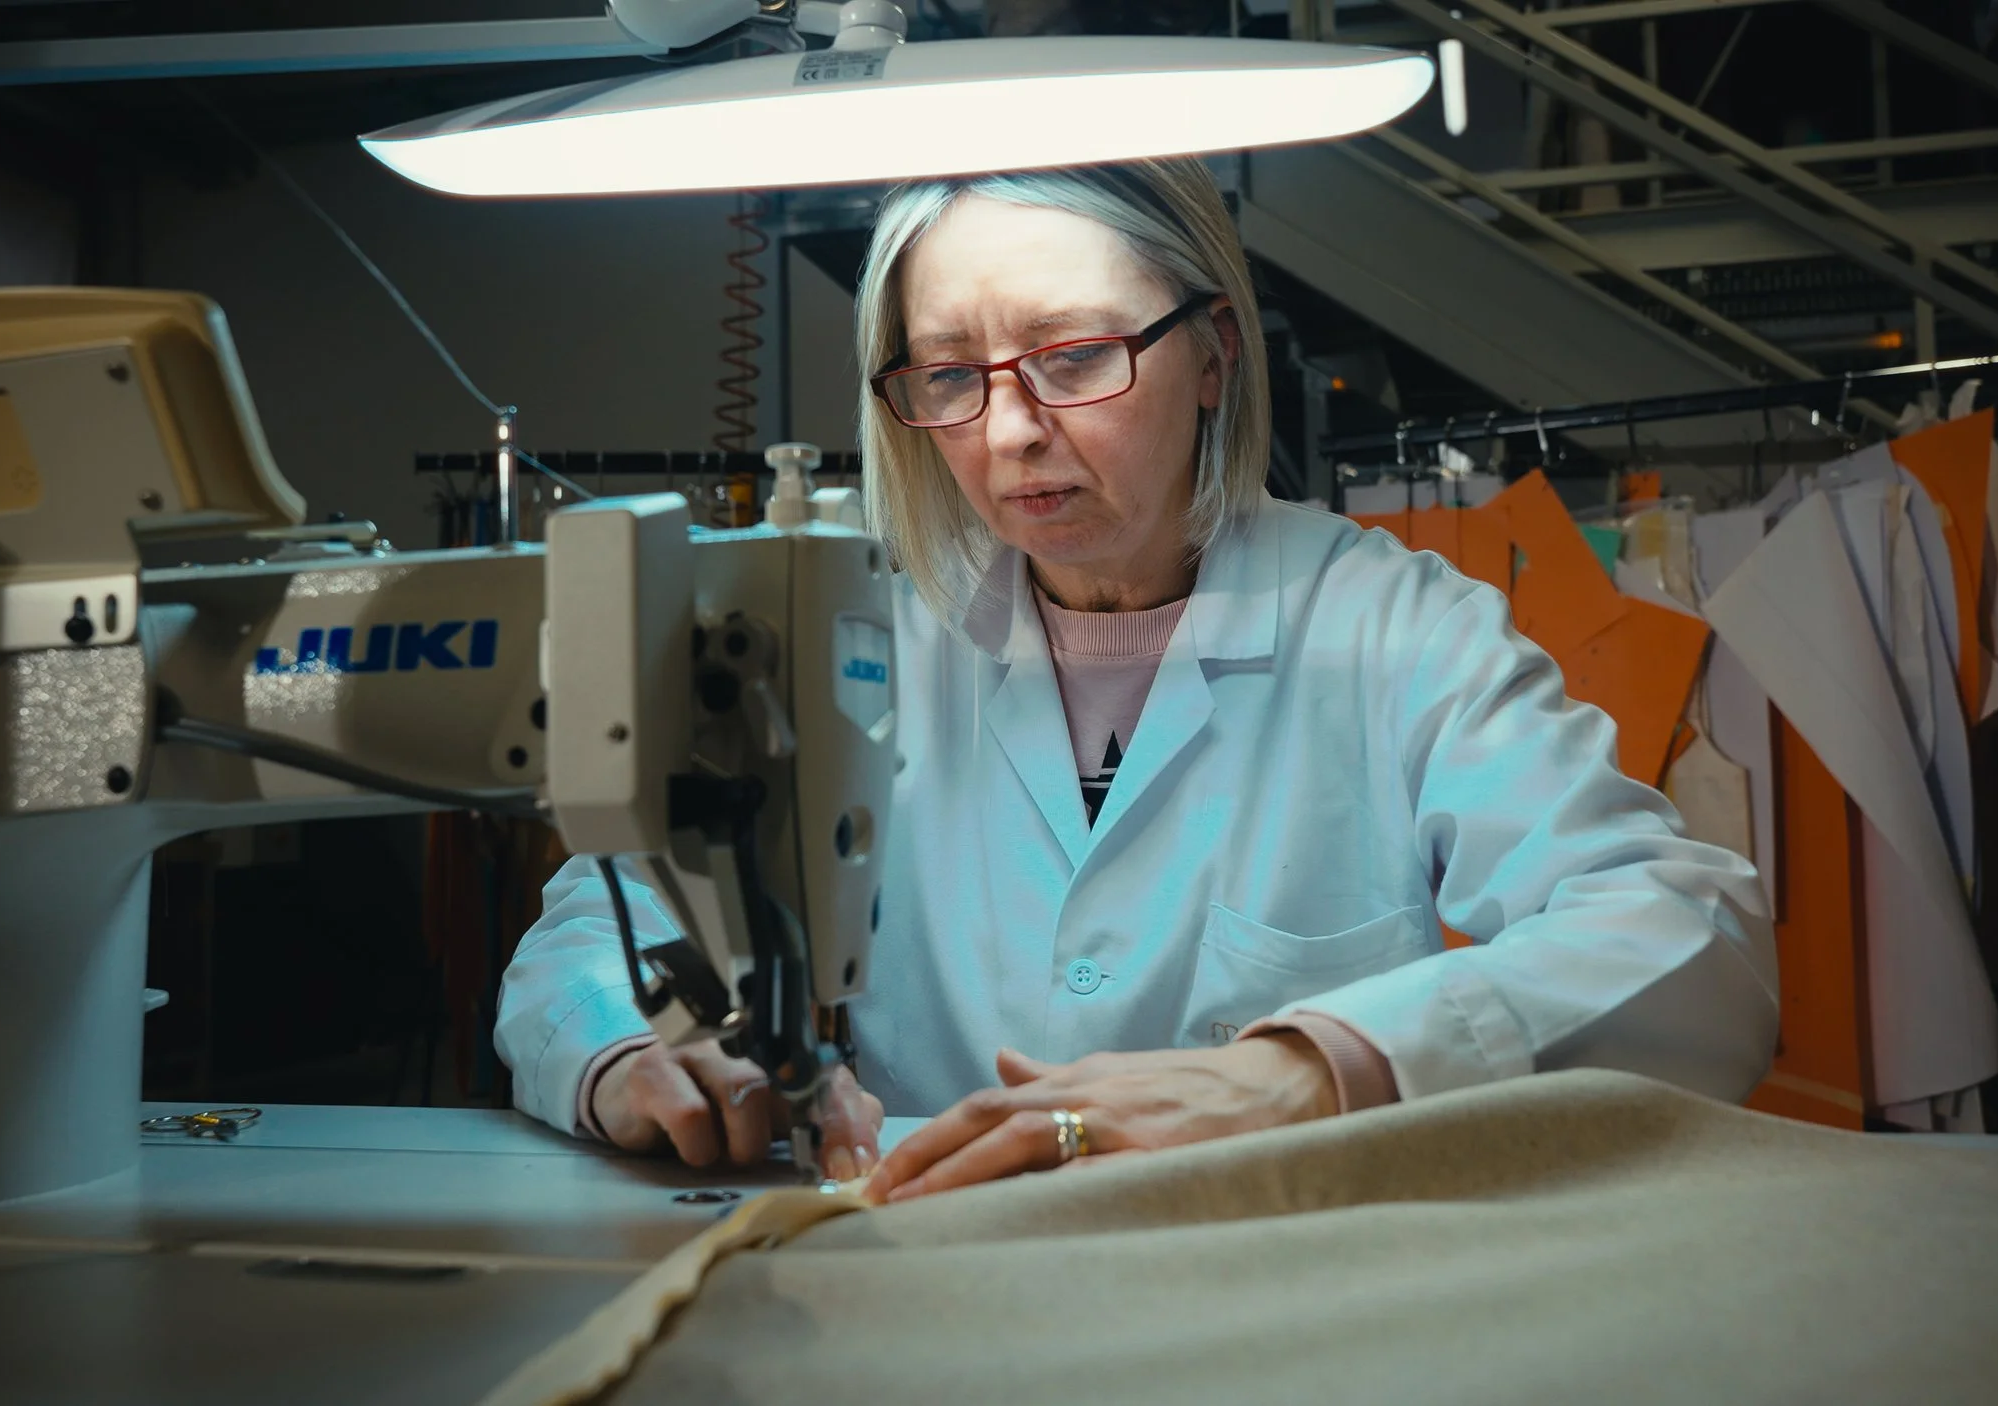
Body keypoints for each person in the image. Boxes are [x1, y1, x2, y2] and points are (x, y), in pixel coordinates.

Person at [495, 158, 1777, 1199]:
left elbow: (1691, 948)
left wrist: (1305, 1071)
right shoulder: (849, 651)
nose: (1007, 430)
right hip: (920, 1279)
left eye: (1073, 356)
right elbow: (595, 927)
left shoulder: (1392, 628)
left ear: (1212, 354)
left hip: (1281, 1287)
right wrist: (632, 1054)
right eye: (948, 376)